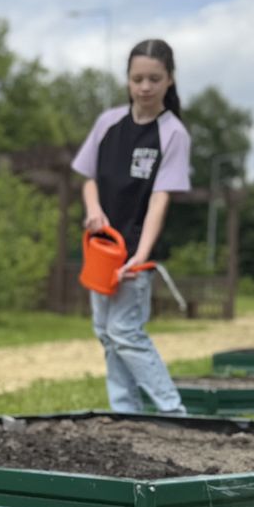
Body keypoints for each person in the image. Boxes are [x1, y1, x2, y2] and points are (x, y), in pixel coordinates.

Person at [72, 39, 192, 414]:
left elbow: (161, 197)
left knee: (125, 332)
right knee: (106, 335)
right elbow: (88, 177)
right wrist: (93, 210)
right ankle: (126, 413)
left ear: (169, 80)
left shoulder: (173, 133)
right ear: (127, 80)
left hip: (135, 253)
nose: (145, 87)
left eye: (154, 79)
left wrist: (140, 255)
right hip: (101, 250)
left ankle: (174, 412)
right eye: (137, 78)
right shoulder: (108, 123)